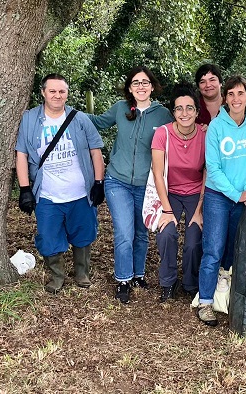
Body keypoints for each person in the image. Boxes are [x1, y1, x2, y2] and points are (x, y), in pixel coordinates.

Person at [89, 66, 173, 304]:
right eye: (136, 82)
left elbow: (179, 131)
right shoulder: (121, 108)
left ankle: (138, 274)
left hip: (147, 185)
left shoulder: (163, 114)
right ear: (129, 88)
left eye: (145, 82)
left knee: (141, 232)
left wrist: (202, 129)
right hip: (118, 181)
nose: (141, 86)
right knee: (124, 232)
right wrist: (65, 111)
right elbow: (98, 122)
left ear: (152, 86)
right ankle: (123, 280)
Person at [15, 73, 106, 293]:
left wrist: (98, 182)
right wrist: (25, 188)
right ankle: (57, 276)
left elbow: (96, 151)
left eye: (62, 91)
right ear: (43, 93)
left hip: (80, 193)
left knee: (84, 234)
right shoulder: (29, 119)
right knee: (48, 236)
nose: (57, 95)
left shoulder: (80, 118)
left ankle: (82, 273)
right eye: (53, 91)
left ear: (67, 93)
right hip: (47, 194)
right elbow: (21, 154)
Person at [196, 75, 246, 326]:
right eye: (231, 94)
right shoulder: (216, 126)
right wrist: (236, 194)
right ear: (225, 98)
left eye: (241, 94)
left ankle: (225, 292)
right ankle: (205, 302)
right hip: (218, 195)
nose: (236, 99)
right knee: (213, 248)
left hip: (243, 196)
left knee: (235, 247)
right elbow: (212, 168)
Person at [151, 84, 206, 302]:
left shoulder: (205, 135)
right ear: (173, 111)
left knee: (194, 238)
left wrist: (199, 210)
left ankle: (190, 282)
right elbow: (157, 173)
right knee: (167, 233)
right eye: (179, 108)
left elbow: (207, 175)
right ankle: (168, 282)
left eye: (189, 108)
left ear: (197, 111)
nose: (184, 113)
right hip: (169, 192)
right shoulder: (162, 134)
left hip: (195, 192)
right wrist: (166, 209)